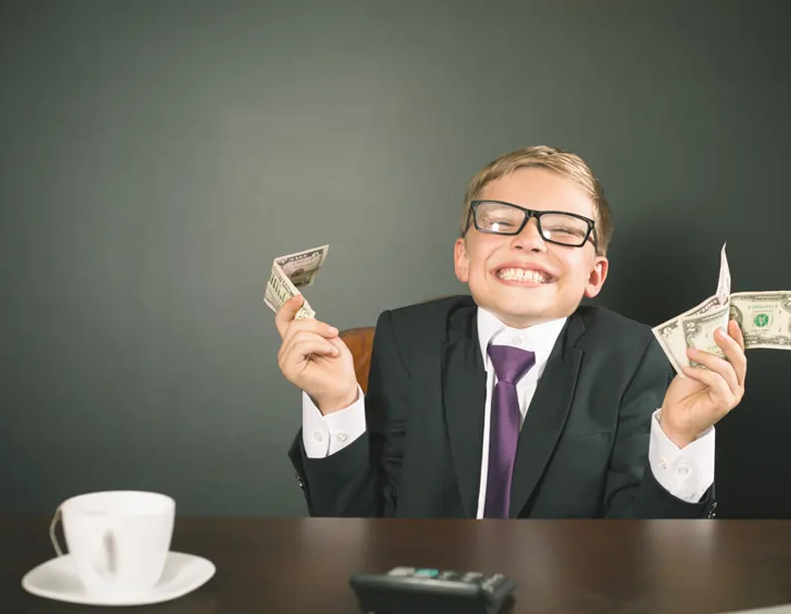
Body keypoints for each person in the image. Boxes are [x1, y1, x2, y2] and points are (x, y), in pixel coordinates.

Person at [274, 145, 747, 518]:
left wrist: (681, 436)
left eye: (564, 230)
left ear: (594, 276)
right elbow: (354, 527)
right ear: (463, 257)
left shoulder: (632, 356)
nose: (529, 240)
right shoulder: (406, 339)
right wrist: (336, 404)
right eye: (501, 222)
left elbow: (646, 554)